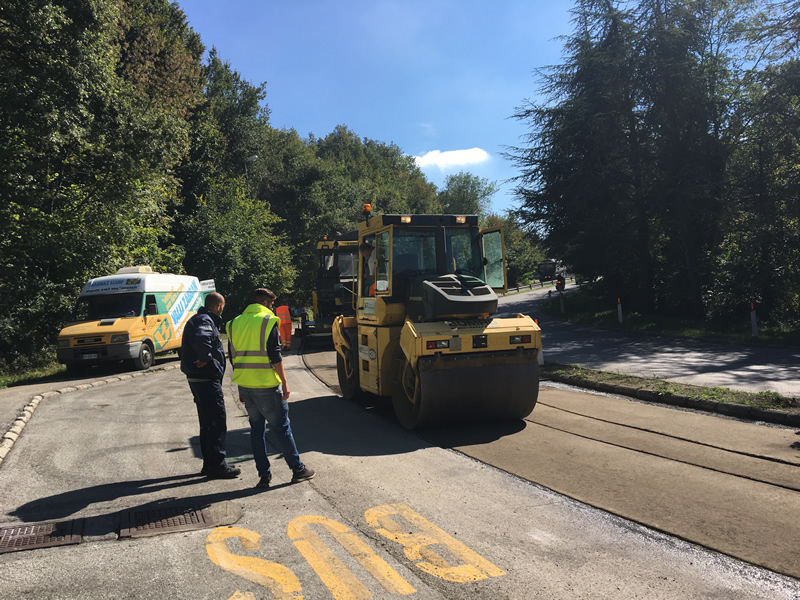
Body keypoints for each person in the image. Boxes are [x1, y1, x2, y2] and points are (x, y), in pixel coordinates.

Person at [227, 288, 315, 489]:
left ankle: (264, 476)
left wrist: (241, 387)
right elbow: (275, 355)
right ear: (266, 302)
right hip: (266, 384)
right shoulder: (267, 321)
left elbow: (233, 358)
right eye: (272, 304)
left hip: (246, 385)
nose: (273, 307)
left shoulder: (233, 324)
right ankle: (298, 470)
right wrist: (284, 382)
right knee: (282, 428)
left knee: (256, 430)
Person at [181, 292, 241, 479]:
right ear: (219, 305)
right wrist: (206, 358)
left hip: (198, 379)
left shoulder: (199, 318)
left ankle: (209, 464)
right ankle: (217, 465)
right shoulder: (205, 320)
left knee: (207, 423)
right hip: (206, 379)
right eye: (223, 305)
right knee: (216, 422)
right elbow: (202, 337)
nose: (223, 308)